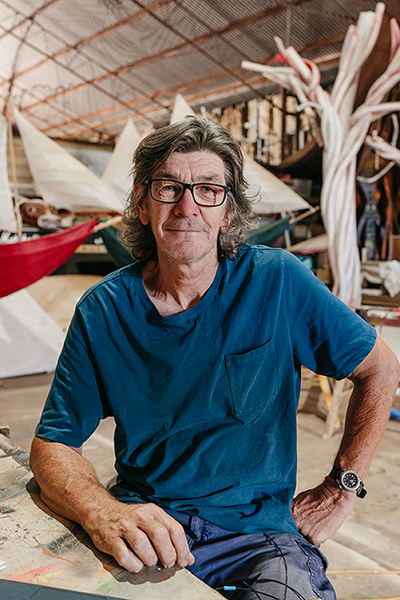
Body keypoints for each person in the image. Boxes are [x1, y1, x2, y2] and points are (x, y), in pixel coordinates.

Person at [30, 116, 399, 600]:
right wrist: (104, 511)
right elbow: (52, 445)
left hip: (259, 535)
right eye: (168, 188)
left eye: (207, 189)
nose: (187, 207)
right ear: (143, 205)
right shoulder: (104, 311)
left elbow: (379, 366)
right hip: (150, 524)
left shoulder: (277, 281)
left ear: (228, 213)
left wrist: (341, 487)